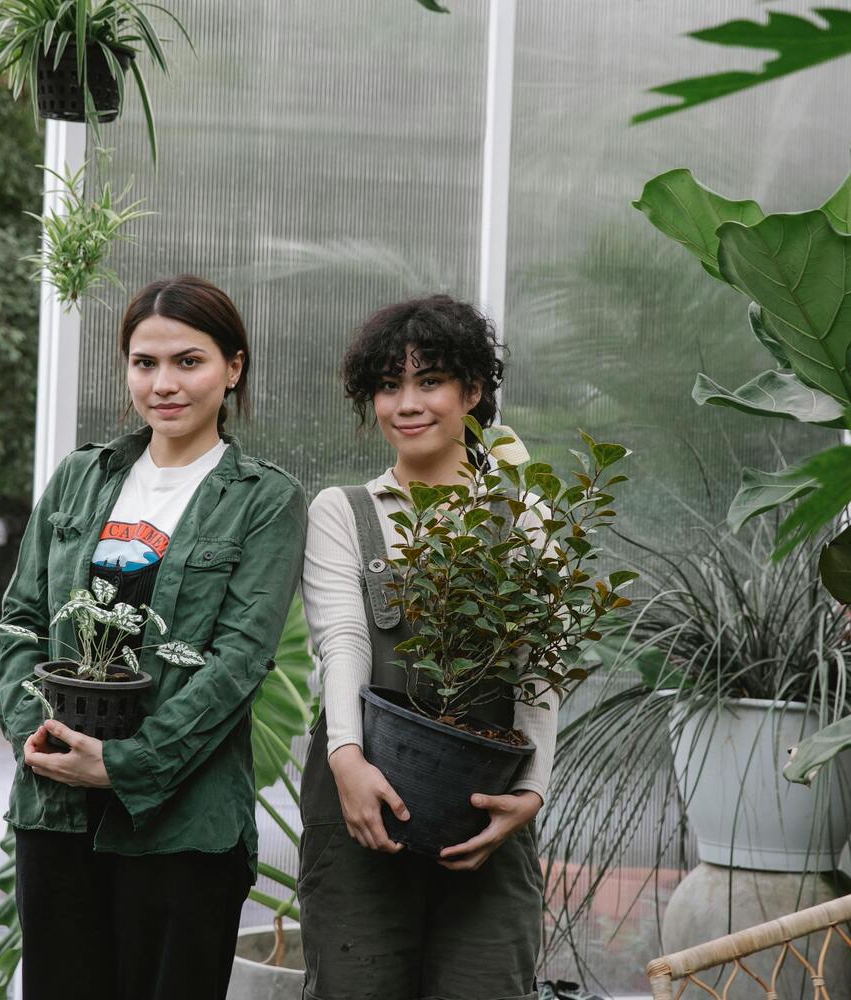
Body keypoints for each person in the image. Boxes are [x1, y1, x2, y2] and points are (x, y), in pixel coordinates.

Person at [0, 275, 307, 1000]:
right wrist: (30, 735)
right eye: (144, 362)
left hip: (182, 824)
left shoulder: (265, 499)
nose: (164, 383)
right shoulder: (79, 480)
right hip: (57, 809)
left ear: (234, 367)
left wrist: (125, 764)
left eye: (188, 361)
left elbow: (238, 661)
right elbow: (19, 623)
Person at [299, 294, 556, 1000]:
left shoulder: (523, 515)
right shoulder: (342, 511)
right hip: (359, 803)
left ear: (473, 392)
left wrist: (531, 792)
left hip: (485, 807)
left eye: (430, 380)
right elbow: (343, 643)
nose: (406, 404)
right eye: (388, 384)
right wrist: (347, 758)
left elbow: (539, 663)